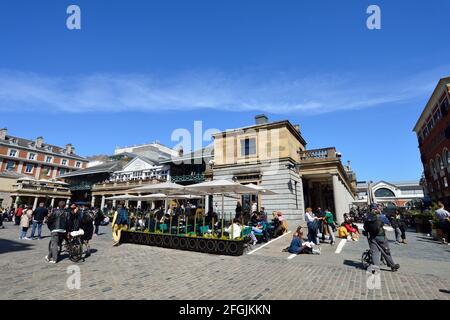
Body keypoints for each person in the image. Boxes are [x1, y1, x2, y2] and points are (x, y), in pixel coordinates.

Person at [363, 204, 400, 272]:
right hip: (381, 236)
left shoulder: (366, 216)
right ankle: (392, 266)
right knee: (386, 252)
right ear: (376, 208)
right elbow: (388, 222)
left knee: (375, 253)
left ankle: (375, 268)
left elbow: (365, 227)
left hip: (372, 237)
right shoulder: (380, 216)